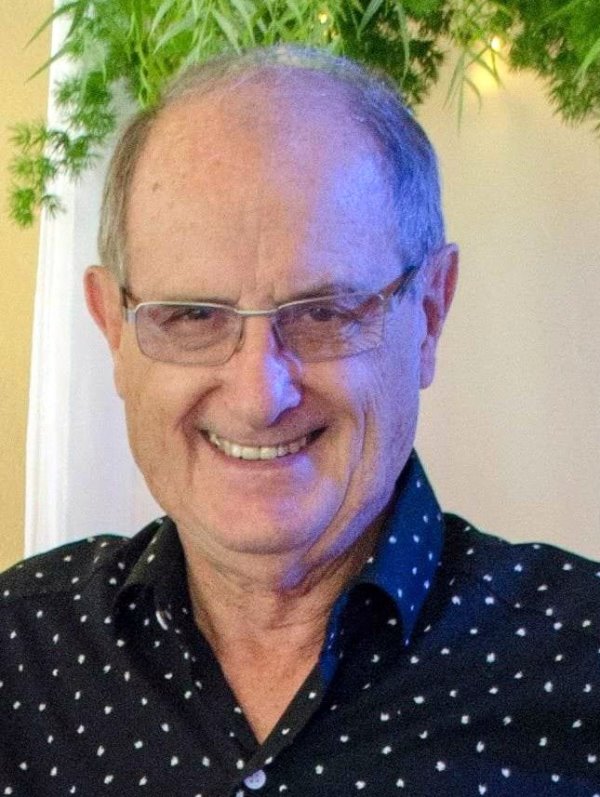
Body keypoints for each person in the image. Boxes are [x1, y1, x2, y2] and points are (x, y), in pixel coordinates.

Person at [1, 45, 599, 797]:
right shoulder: (19, 658)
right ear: (113, 331)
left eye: (324, 313)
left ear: (431, 313)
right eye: (193, 316)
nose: (259, 395)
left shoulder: (581, 665)